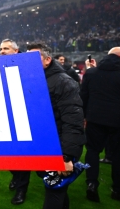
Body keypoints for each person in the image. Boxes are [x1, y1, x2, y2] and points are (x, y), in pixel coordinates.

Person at [27, 43, 85, 209]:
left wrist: (66, 157)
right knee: (57, 189)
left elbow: (73, 122)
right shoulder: (32, 79)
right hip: (44, 145)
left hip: (59, 149)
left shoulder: (64, 82)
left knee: (54, 192)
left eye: (34, 57)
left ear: (47, 60)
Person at [80, 47, 120, 202]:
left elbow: (84, 96)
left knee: (92, 151)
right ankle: (118, 190)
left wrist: (85, 116)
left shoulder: (91, 73)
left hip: (95, 119)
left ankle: (91, 184)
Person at [0, 39, 29, 204]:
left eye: (6, 48)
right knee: (8, 154)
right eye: (1, 48)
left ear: (16, 51)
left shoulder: (26, 66)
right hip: (4, 117)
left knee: (23, 156)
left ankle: (21, 190)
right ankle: (17, 176)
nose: (2, 51)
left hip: (23, 117)